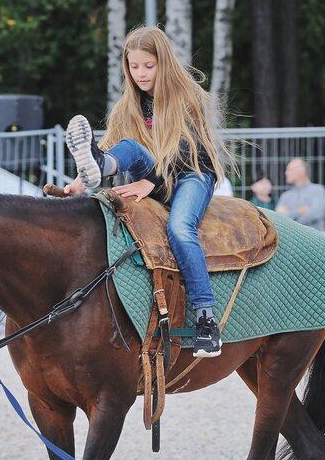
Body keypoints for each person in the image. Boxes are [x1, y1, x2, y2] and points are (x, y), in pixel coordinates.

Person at [63, 25, 230, 358]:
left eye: (148, 66)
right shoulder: (128, 106)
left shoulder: (188, 96)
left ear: (163, 63)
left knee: (180, 231)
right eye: (134, 66)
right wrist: (81, 181)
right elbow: (115, 145)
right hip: (153, 174)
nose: (140, 73)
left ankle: (206, 320)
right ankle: (95, 167)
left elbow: (188, 147)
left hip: (191, 174)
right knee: (127, 147)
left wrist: (149, 183)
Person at [276, 158, 325, 232]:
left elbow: (316, 214)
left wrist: (289, 217)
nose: (286, 173)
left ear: (302, 171)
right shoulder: (285, 196)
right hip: (292, 241)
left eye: (290, 169)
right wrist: (298, 211)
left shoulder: (318, 190)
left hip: (316, 239)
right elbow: (279, 219)